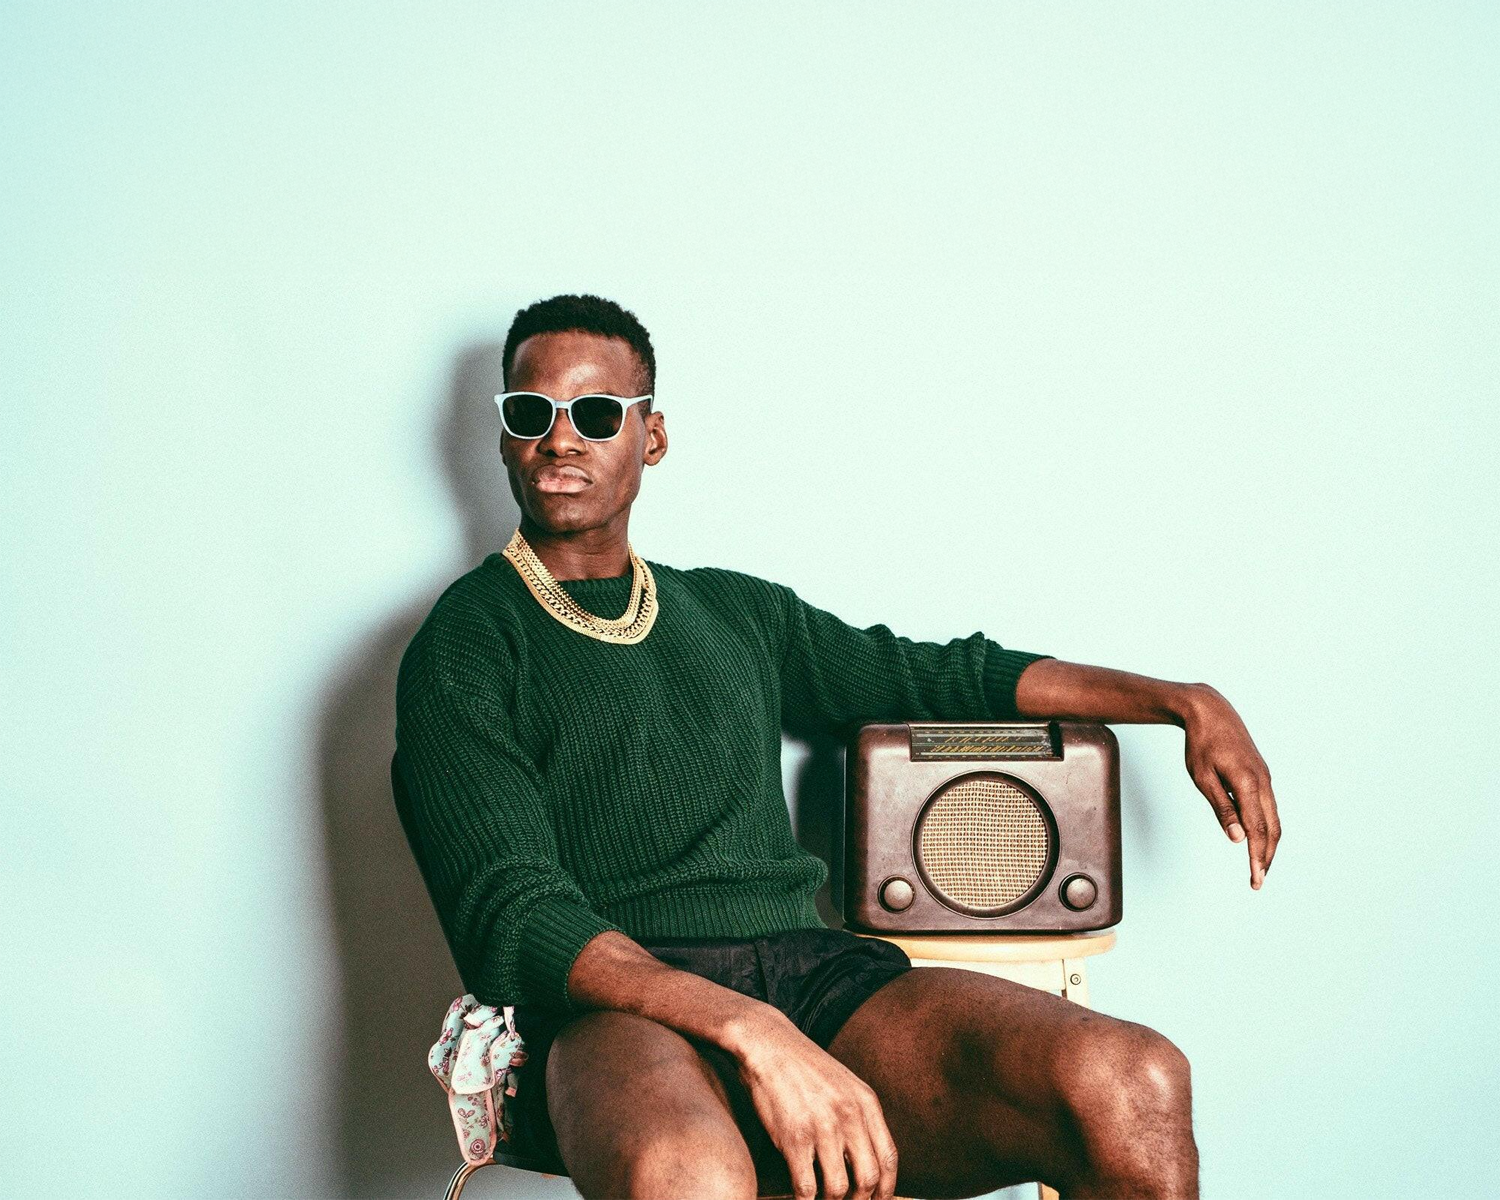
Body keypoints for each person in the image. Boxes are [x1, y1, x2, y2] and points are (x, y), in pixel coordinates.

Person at [394, 293, 1281, 1200]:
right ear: (505, 438)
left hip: (812, 980)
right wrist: (752, 1032)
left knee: (1136, 1081)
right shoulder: (468, 641)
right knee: (684, 1173)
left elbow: (933, 677)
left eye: (594, 413)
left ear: (651, 437)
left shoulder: (737, 612)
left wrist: (1181, 701)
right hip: (618, 1010)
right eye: (530, 413)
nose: (561, 439)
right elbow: (513, 914)